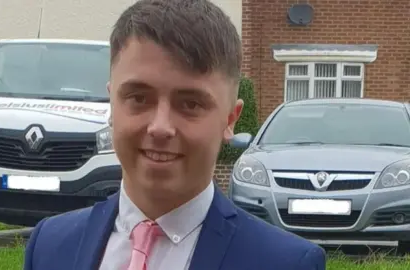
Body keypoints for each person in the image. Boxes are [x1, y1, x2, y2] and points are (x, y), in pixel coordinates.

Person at [23, 0, 327, 269]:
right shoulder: (50, 245)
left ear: (230, 119)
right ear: (112, 103)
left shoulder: (283, 262)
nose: (160, 127)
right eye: (139, 98)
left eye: (190, 104)